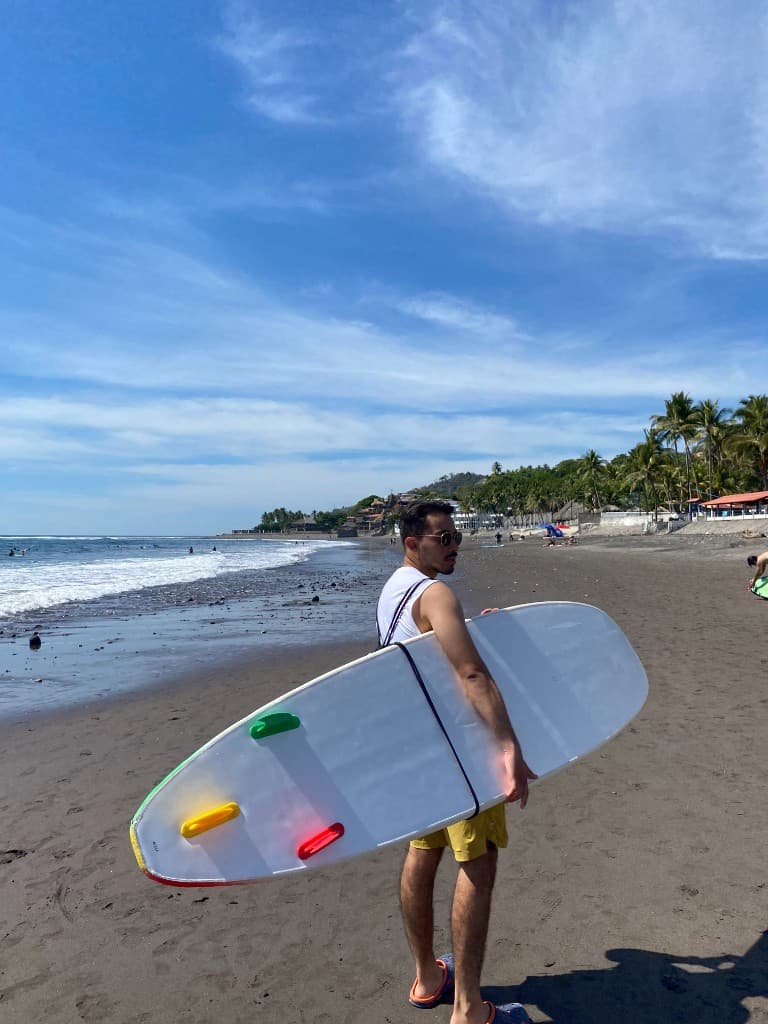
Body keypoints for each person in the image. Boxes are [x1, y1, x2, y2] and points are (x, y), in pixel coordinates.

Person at [376, 500, 537, 1024]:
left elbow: (422, 655)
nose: (453, 547)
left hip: (423, 754)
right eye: (442, 539)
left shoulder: (393, 593)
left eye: (456, 537)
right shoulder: (436, 593)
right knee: (478, 865)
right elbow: (471, 676)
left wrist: (471, 627)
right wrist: (509, 746)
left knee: (422, 853)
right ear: (413, 543)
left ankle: (427, 978)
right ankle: (469, 1010)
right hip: (463, 753)